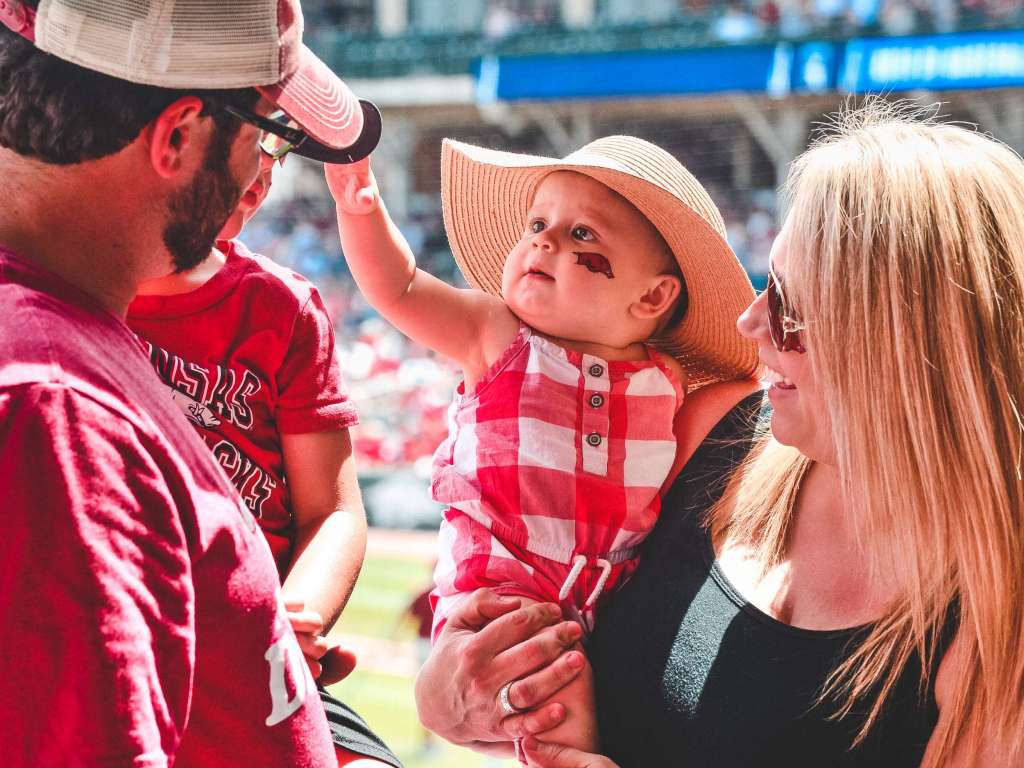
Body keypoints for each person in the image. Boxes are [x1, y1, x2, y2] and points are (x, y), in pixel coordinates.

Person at [413, 103, 1024, 768]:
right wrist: (449, 695)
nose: (750, 323)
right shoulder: (707, 432)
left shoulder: (999, 629)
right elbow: (529, 599)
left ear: (898, 344)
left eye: (788, 305)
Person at [0, 1, 394, 765]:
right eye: (266, 135)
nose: (259, 175)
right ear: (179, 135)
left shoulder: (63, 350)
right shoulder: (56, 406)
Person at [326, 137, 758, 757]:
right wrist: (363, 209)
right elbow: (398, 288)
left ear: (653, 298)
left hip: (606, 607)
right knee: (560, 702)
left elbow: (749, 393)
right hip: (498, 596)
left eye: (584, 235)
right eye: (537, 224)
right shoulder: (496, 335)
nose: (545, 240)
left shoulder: (670, 383)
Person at [126, 148, 401, 767]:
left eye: (277, 149)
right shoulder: (67, 288)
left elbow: (332, 509)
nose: (265, 170)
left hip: (261, 651)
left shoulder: (283, 306)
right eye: (248, 137)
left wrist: (292, 621)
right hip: (129, 639)